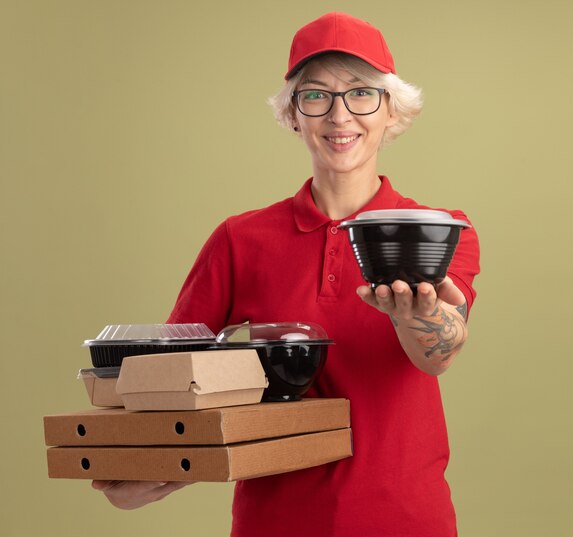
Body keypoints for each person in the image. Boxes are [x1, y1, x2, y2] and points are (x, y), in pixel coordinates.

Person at [92, 12, 480, 537]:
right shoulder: (239, 239)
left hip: (406, 520)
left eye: (361, 94)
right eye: (316, 95)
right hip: (273, 524)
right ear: (294, 115)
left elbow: (437, 356)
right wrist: (152, 471)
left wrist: (423, 317)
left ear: (391, 111)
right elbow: (178, 381)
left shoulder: (438, 230)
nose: (340, 115)